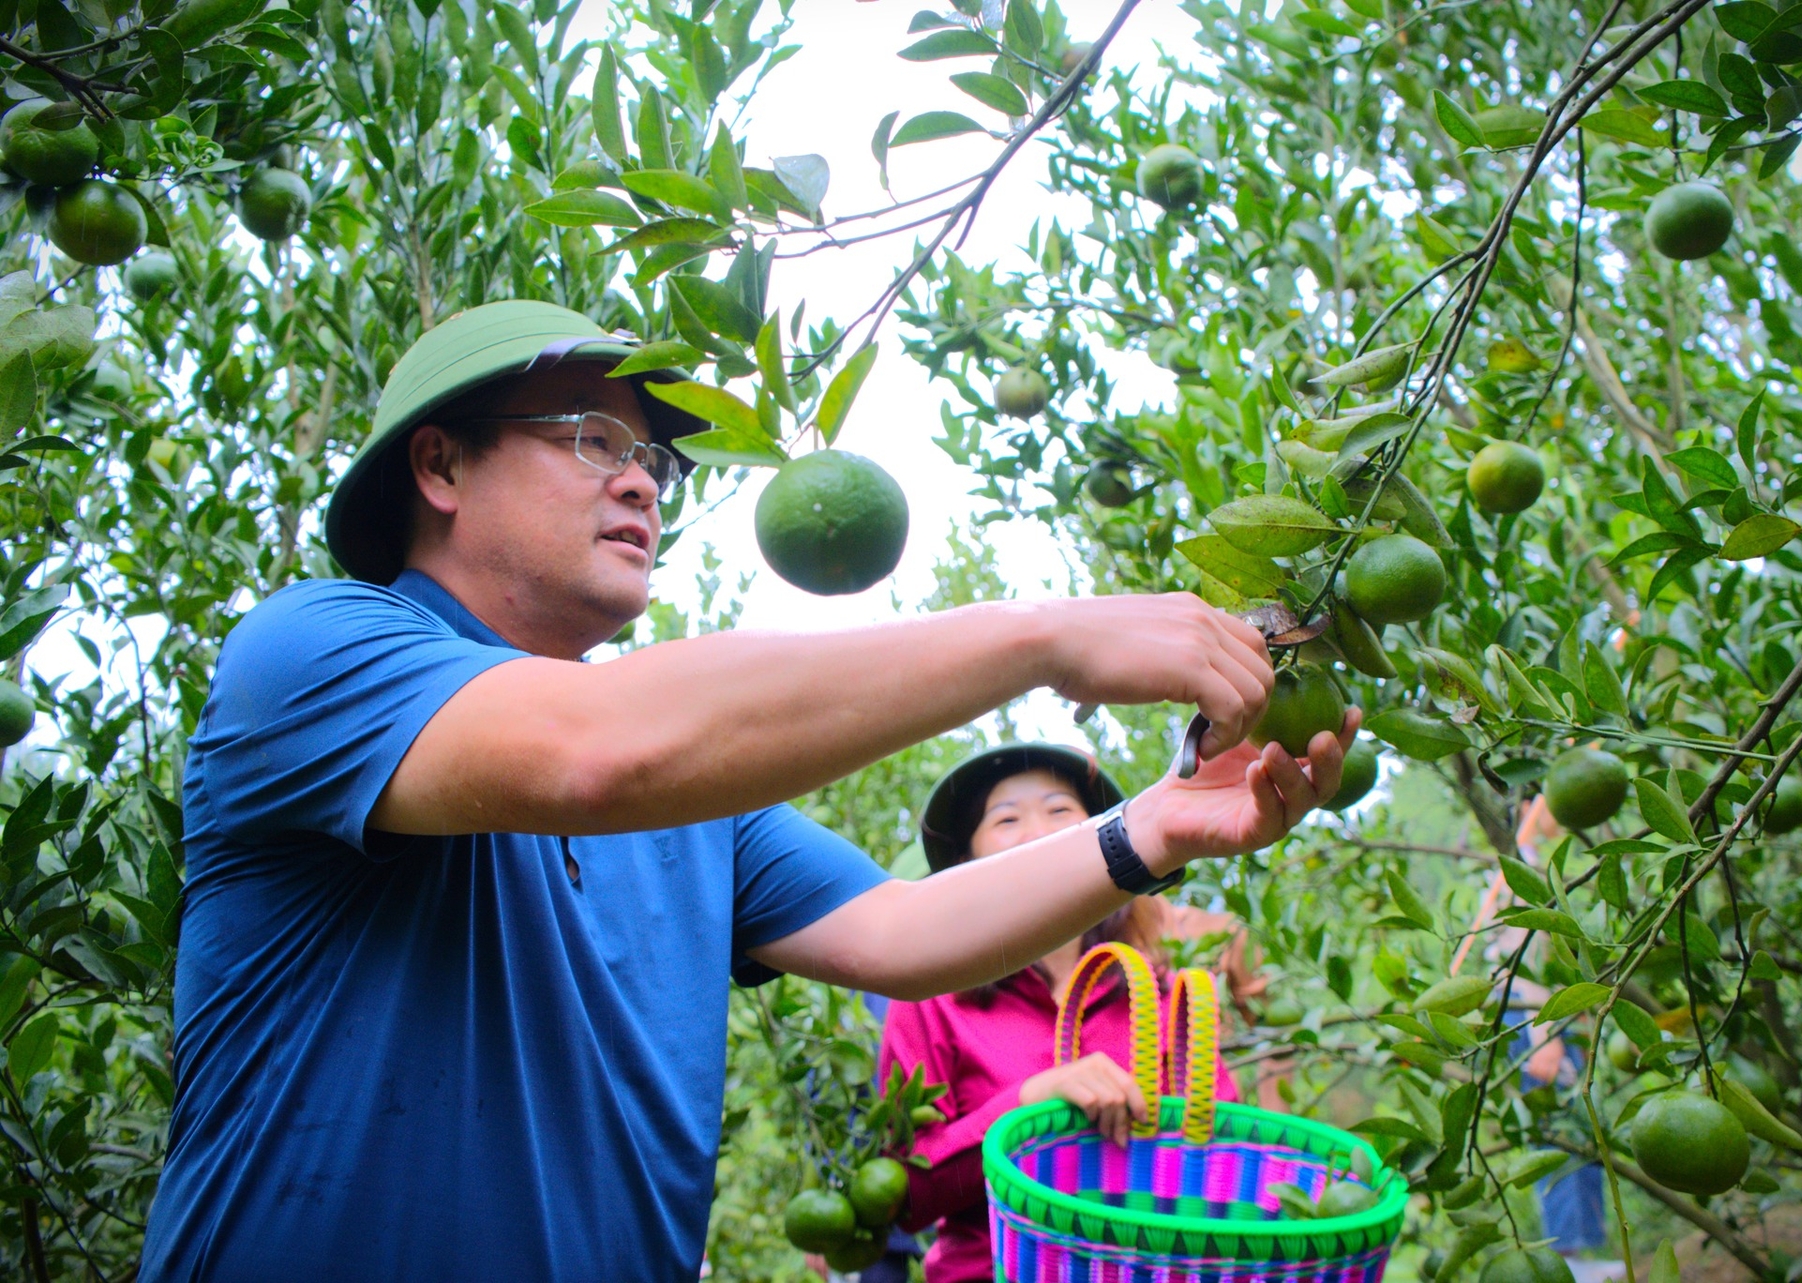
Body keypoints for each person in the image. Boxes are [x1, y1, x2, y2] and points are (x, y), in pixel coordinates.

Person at [136, 301, 1358, 1283]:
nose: (643, 482)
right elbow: (594, 751)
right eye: (591, 439)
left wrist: (1151, 824)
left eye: (651, 455)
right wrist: (1039, 633)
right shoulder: (315, 652)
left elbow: (899, 931)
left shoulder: (691, 800)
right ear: (441, 463)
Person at [877, 744, 1248, 1283]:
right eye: (1006, 819)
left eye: (1060, 811)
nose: (1038, 833)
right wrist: (1029, 1103)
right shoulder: (930, 1000)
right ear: (967, 861)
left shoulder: (1161, 997)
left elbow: (1223, 1157)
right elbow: (905, 1196)